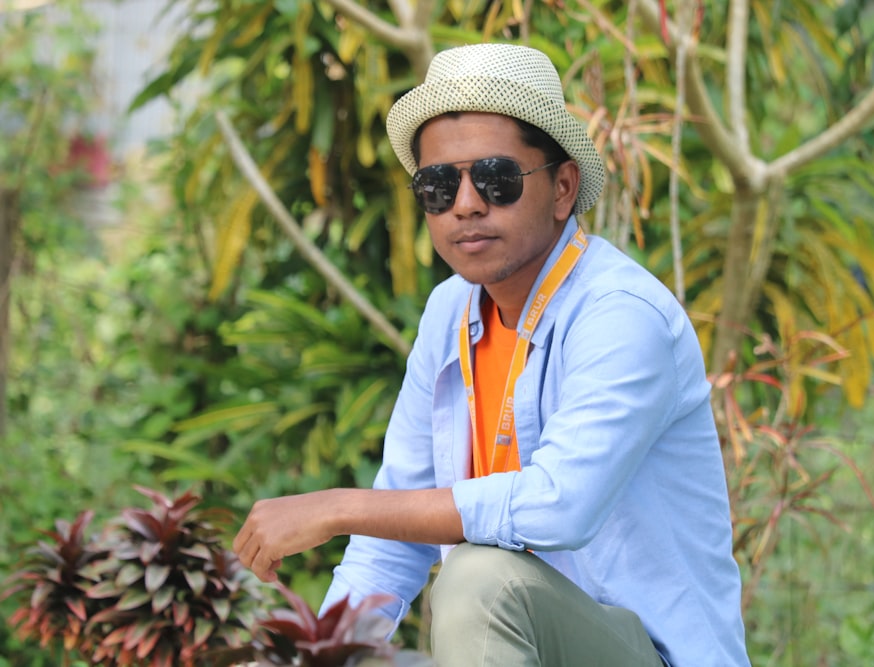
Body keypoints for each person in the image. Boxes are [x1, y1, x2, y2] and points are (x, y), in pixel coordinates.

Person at [234, 42, 751, 667]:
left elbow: (558, 505)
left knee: (479, 579)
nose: (467, 203)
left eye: (497, 178)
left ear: (563, 188)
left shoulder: (620, 315)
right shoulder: (449, 313)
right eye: (438, 184)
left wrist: (340, 507)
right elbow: (388, 548)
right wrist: (316, 652)